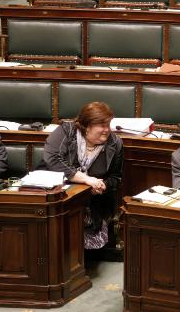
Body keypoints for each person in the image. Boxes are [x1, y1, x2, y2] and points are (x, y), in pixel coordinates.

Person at [40, 101, 123, 250]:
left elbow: (116, 177)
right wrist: (86, 179)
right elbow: (52, 159)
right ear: (87, 126)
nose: (107, 130)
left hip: (93, 200)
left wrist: (102, 186)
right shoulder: (67, 131)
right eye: (102, 126)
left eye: (108, 125)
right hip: (58, 193)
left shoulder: (115, 143)